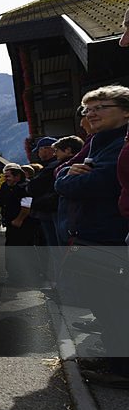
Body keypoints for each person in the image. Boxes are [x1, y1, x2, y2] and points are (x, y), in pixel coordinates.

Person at [55, 82, 129, 388]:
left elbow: (97, 184)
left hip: (108, 233)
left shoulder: (120, 143)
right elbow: (62, 175)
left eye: (101, 108)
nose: (92, 114)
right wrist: (68, 176)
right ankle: (114, 358)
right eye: (89, 109)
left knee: (113, 301)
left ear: (126, 112)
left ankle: (122, 370)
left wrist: (70, 179)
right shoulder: (99, 141)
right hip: (89, 232)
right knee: (101, 300)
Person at [0, 163, 38, 284]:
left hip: (23, 224)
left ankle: (25, 277)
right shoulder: (5, 186)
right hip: (11, 224)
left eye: (8, 176)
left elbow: (26, 206)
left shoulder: (25, 187)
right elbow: (1, 201)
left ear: (17, 176)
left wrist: (19, 219)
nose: (5, 179)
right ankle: (13, 276)